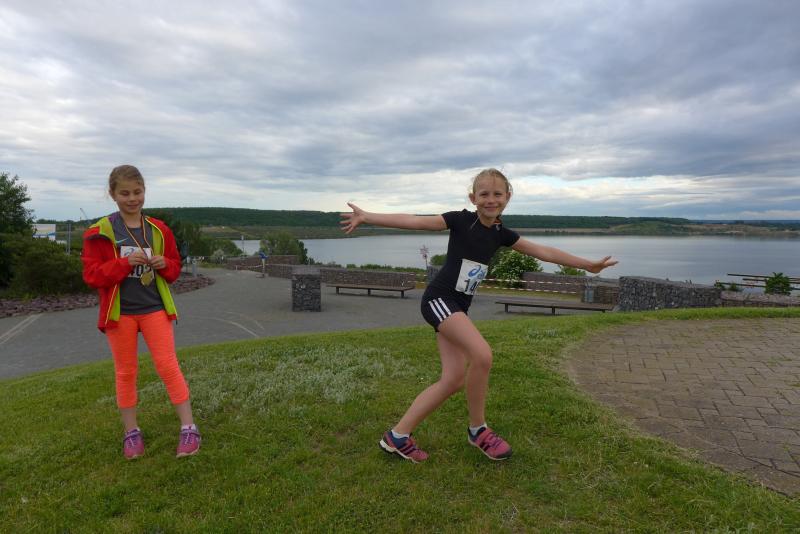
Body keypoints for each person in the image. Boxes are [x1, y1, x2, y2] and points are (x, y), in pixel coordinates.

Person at [341, 168, 617, 462]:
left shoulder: (500, 233)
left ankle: (397, 436)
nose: (491, 200)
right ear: (473, 198)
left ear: (507, 198)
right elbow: (415, 220)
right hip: (439, 300)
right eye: (484, 194)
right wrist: (367, 216)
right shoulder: (460, 220)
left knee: (453, 380)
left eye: (497, 194)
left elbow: (543, 251)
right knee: (482, 355)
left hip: (458, 307)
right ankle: (478, 431)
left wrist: (588, 265)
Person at [81, 165, 201, 460]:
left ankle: (189, 428)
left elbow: (174, 269)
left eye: (138, 192)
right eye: (125, 193)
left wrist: (165, 264)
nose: (132, 198)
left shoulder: (159, 229)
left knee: (168, 366)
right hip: (119, 314)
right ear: (112, 194)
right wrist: (124, 264)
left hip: (154, 309)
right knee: (125, 372)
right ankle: (131, 432)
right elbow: (92, 275)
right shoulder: (98, 232)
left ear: (144, 191)